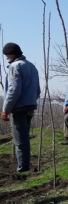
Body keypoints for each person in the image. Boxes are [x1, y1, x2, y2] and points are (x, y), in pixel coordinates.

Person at [2, 43, 41, 172]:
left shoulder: (14, 66)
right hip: (30, 106)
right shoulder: (31, 66)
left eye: (7, 54)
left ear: (13, 54)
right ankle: (24, 165)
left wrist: (6, 109)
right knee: (24, 138)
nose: (6, 56)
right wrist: (31, 101)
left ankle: (22, 168)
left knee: (20, 140)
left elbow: (14, 90)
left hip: (19, 108)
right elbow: (37, 90)